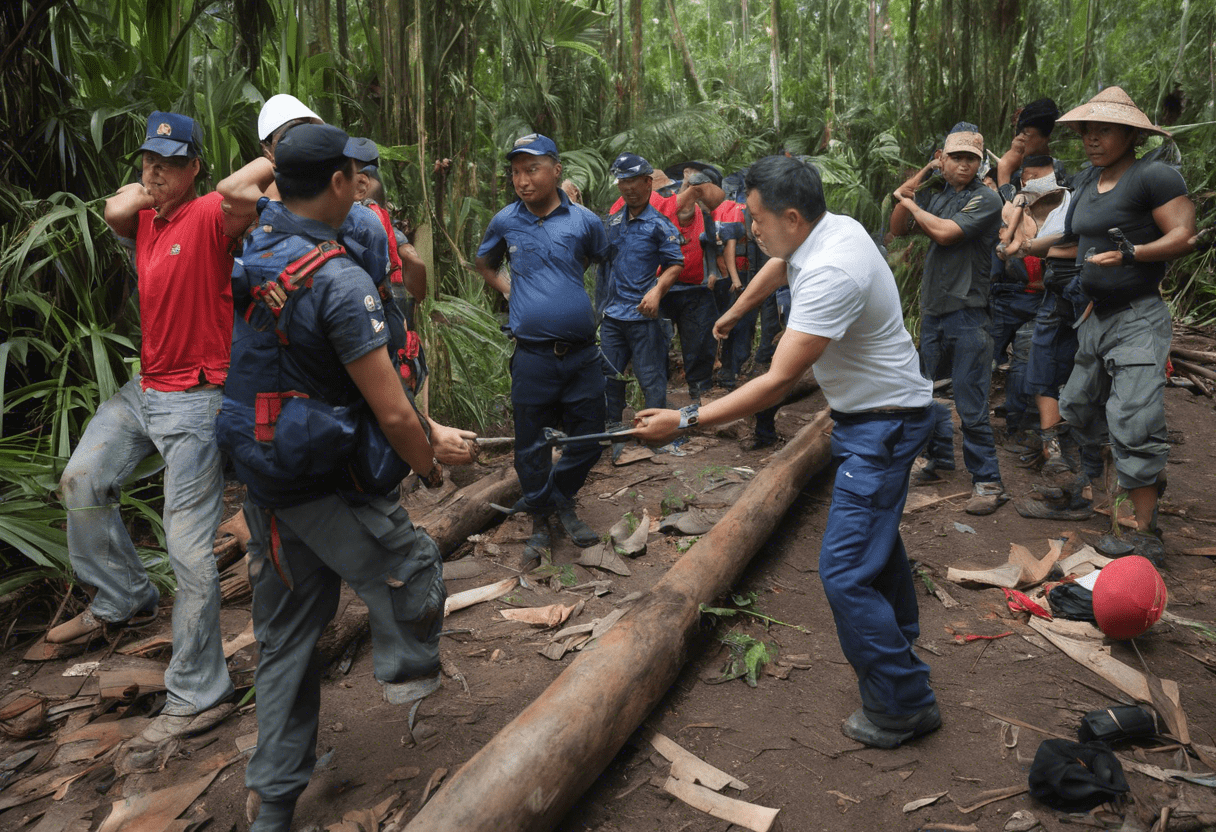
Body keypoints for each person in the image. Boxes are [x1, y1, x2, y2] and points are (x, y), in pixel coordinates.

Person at [216, 123, 476, 832]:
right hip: (325, 483)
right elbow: (392, 410)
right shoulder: (338, 280)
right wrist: (429, 462)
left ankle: (273, 802)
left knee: (288, 640)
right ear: (338, 182)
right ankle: (406, 676)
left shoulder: (257, 244)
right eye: (352, 176)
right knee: (416, 566)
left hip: (265, 483)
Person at [634, 155, 940, 748]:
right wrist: (737, 309)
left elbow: (776, 382)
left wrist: (686, 419)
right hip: (873, 415)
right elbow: (778, 264)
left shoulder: (831, 272)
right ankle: (897, 639)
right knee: (876, 541)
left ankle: (904, 704)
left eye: (755, 217)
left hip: (885, 425)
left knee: (845, 572)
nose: (750, 228)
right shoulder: (830, 229)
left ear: (793, 216)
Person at [46, 112, 254, 745]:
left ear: (196, 168)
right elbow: (116, 207)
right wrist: (149, 189)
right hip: (145, 391)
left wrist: (210, 183)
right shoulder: (145, 224)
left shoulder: (212, 218)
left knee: (189, 552)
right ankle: (123, 595)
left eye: (170, 161)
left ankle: (199, 690)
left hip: (197, 396)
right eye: (148, 160)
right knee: (81, 481)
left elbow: (250, 185)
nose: (154, 171)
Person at [1045, 87, 1196, 560]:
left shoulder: (1154, 176)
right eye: (1087, 130)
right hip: (1095, 316)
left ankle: (1145, 533)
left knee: (1134, 420)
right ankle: (1108, 488)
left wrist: (1135, 253)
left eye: (1103, 130)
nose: (1091, 138)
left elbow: (1184, 236)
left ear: (1130, 133)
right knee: (1078, 407)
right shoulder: (1090, 180)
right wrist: (1025, 247)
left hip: (1136, 317)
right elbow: (1079, 241)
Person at [474, 133, 609, 563]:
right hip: (532, 356)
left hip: (582, 354)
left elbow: (596, 258)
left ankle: (555, 499)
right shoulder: (505, 221)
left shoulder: (585, 221)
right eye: (515, 171)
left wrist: (559, 291)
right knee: (530, 444)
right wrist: (512, 290)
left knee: (590, 437)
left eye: (532, 169)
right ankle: (540, 522)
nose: (522, 180)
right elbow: (484, 263)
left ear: (556, 170)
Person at [891, 122, 1008, 515]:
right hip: (935, 312)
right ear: (942, 159)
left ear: (980, 164)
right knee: (927, 395)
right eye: (955, 157)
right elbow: (897, 229)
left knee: (971, 402)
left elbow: (943, 234)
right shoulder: (938, 197)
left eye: (971, 159)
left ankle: (988, 482)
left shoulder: (987, 200)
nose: (963, 165)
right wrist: (918, 182)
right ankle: (939, 461)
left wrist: (909, 201)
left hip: (969, 315)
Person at [598, 153, 685, 426]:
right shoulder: (612, 224)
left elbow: (675, 264)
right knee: (608, 375)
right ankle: (611, 428)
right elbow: (598, 260)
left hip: (643, 316)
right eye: (622, 181)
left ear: (648, 182)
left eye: (633, 181)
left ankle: (656, 429)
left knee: (651, 376)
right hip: (612, 316)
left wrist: (657, 292)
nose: (628, 188)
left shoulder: (660, 225)